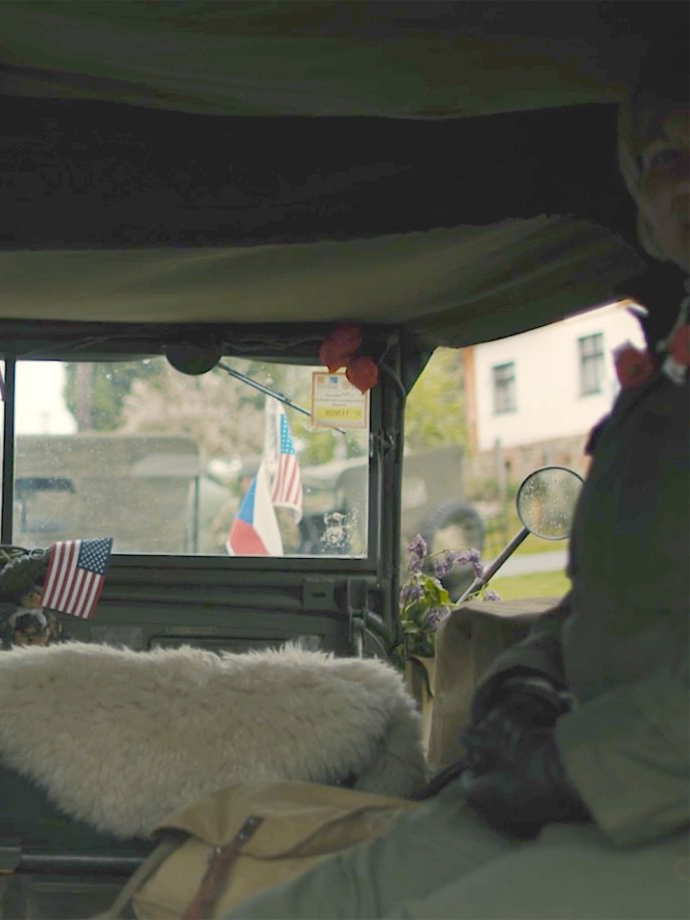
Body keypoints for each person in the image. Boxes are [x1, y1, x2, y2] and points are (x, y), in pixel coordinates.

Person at [225, 51, 687, 919]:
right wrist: (524, 681)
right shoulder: (662, 393)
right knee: (312, 899)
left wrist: (568, 766)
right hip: (604, 777)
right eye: (664, 158)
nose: (686, 179)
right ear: (644, 205)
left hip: (652, 797)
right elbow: (614, 597)